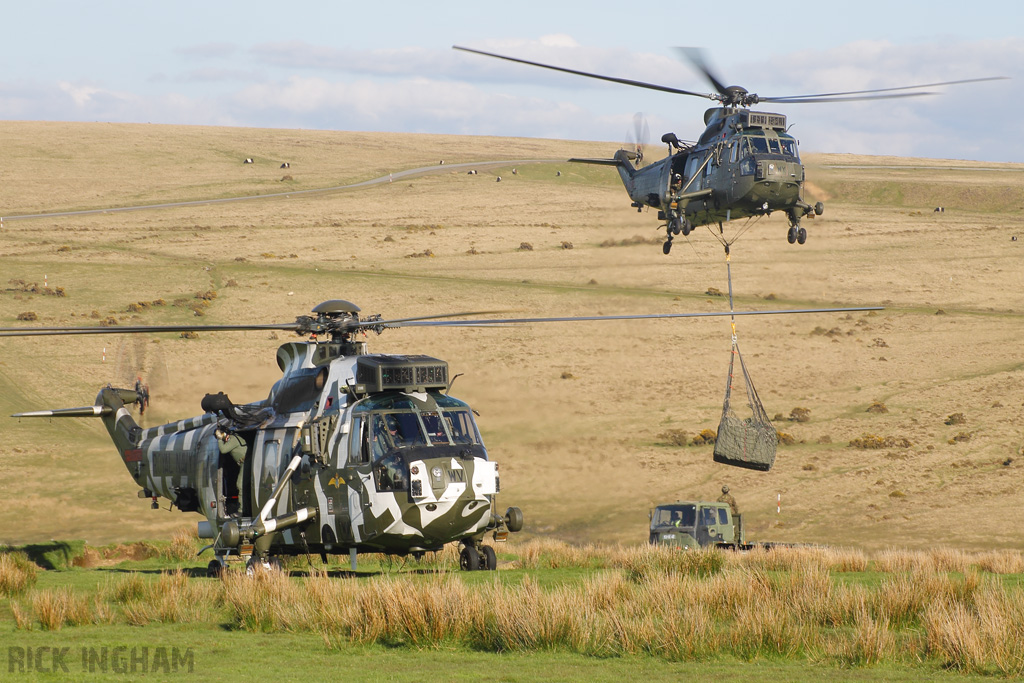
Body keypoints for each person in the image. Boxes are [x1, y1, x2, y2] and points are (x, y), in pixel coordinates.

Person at [216, 427, 247, 515]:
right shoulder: (234, 438)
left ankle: (242, 511)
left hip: (245, 463)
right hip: (243, 463)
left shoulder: (233, 439)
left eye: (221, 434)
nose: (221, 437)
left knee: (240, 485)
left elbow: (223, 450)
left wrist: (219, 440)